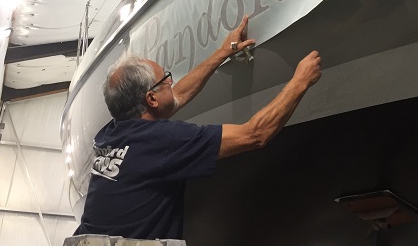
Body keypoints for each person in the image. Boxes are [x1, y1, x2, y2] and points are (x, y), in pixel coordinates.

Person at [74, 15, 322, 240]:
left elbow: (177, 96)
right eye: (166, 79)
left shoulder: (110, 133)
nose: (172, 83)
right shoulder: (163, 141)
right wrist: (301, 81)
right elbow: (255, 134)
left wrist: (222, 53)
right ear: (151, 99)